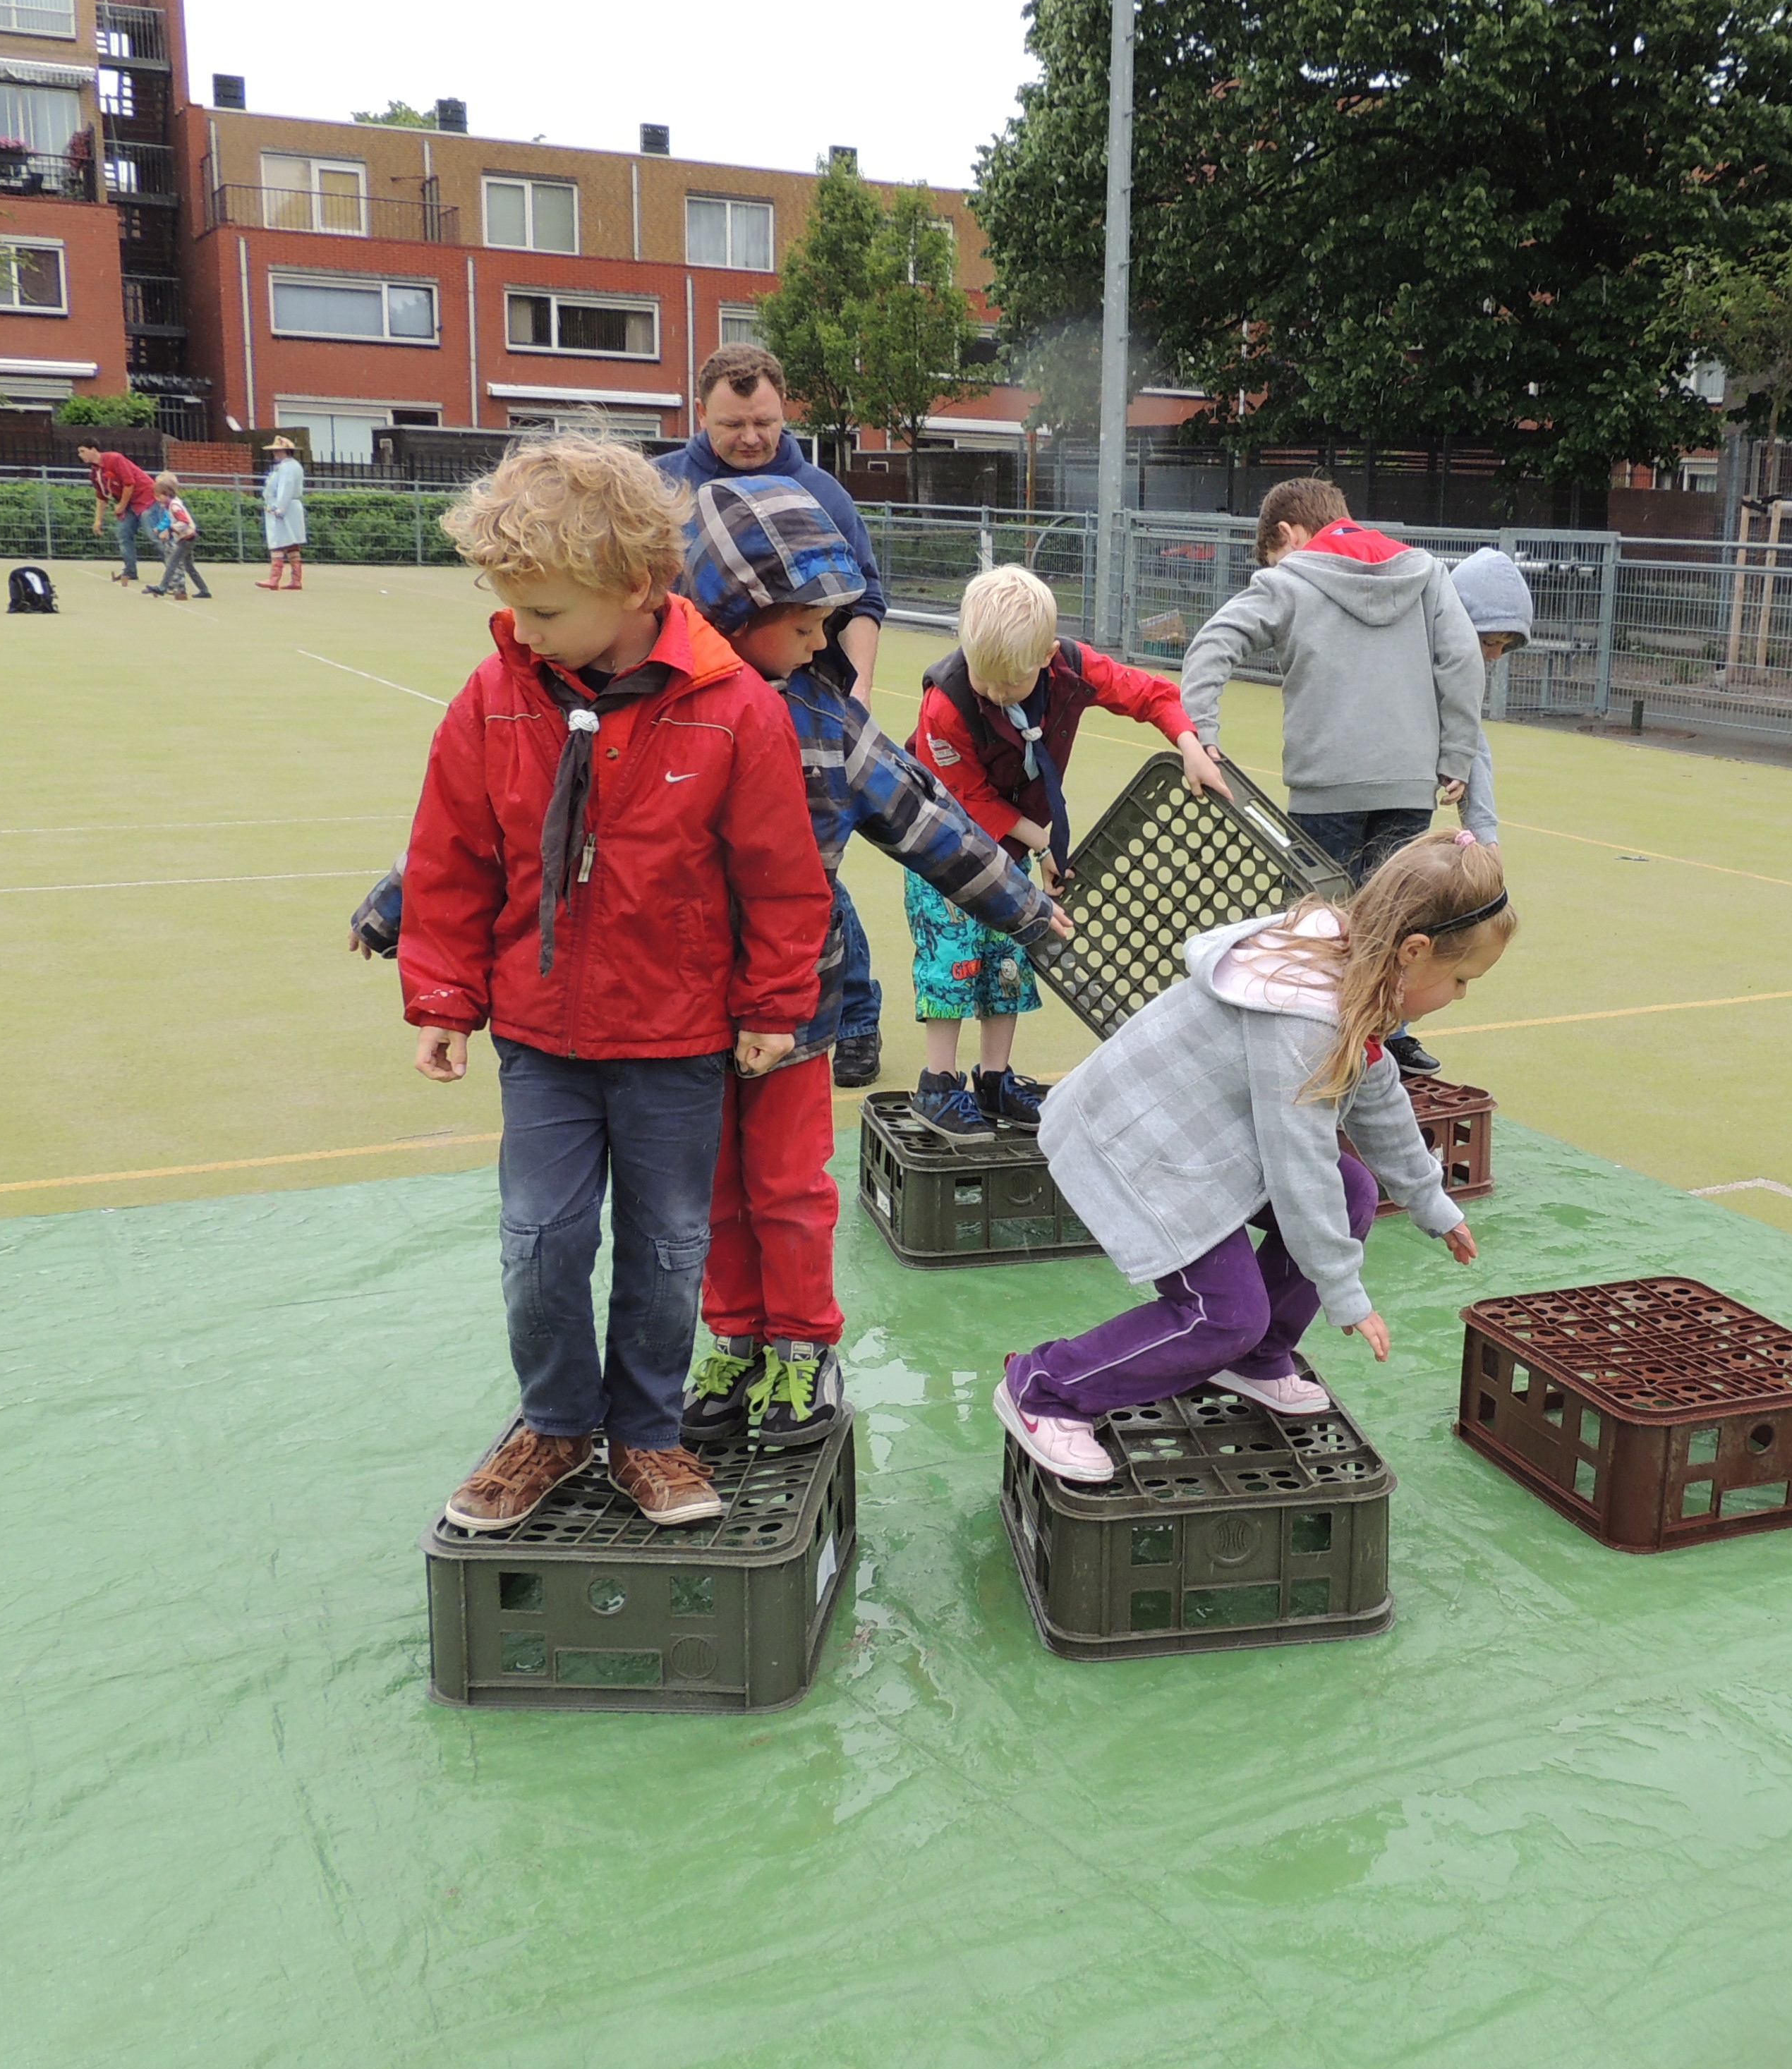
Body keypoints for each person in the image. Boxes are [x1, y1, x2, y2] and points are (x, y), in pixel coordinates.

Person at [399, 437, 831, 1534]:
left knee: (670, 1245)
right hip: (542, 1040)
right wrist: (445, 998)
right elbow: (452, 857)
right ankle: (551, 1426)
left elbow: (781, 878)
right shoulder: (494, 697)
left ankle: (646, 1434)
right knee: (540, 1239)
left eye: (542, 612)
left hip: (679, 1041)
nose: (519, 631)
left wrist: (774, 1007)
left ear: (637, 588)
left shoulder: (738, 711)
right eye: (513, 610)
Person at [672, 476, 1071, 1449]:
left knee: (788, 1189)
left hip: (797, 1008)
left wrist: (1022, 906)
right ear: (734, 611)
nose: (826, 644)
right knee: (708, 1189)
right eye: (807, 626)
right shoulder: (659, 703)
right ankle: (733, 1336)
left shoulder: (828, 721)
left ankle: (803, 1346)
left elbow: (928, 822)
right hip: (680, 1009)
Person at [995, 832, 1513, 1481]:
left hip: (1195, 1134)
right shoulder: (1307, 1017)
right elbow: (1299, 1167)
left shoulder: (1358, 972)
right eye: (1461, 978)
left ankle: (1257, 1358)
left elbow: (1379, 1101)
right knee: (1223, 1314)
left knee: (1351, 1193)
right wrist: (1345, 1291)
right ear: (1414, 952)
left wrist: (1432, 1203)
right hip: (1141, 1146)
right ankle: (1044, 1388)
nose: (1461, 994)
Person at [909, 562, 1224, 1140]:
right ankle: (938, 1082)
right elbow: (967, 799)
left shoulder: (1070, 669)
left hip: (1013, 846)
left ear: (1047, 656)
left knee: (1008, 958)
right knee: (952, 959)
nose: (999, 694)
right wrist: (1045, 842)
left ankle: (995, 1080)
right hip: (946, 847)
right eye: (988, 682)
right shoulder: (946, 705)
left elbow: (1150, 693)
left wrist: (1189, 742)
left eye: (1014, 684)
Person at [1179, 476, 1482, 1075]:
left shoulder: (1289, 579)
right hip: (1406, 780)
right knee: (1398, 917)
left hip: (1325, 785)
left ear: (1288, 534)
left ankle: (1308, 1041)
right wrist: (1457, 753)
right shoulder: (1424, 572)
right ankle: (1389, 1037)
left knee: (1316, 921)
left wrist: (1202, 735)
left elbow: (1213, 644)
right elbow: (1463, 658)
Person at [658, 344, 893, 1090]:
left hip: (802, 711)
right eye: (733, 424)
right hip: (690, 711)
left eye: (763, 421)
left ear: (785, 405)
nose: (751, 437)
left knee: (810, 874)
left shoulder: (821, 490)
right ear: (701, 411)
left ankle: (853, 1015)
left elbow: (864, 602)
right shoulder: (661, 487)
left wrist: (854, 700)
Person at [1448, 547, 1533, 847]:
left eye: (1504, 645)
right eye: (1489, 641)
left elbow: (1471, 738)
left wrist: (1485, 838)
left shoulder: (1463, 669)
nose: (1496, 655)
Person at [78, 442, 152, 586]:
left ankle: (173, 571)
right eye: (79, 452)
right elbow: (101, 496)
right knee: (123, 535)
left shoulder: (115, 459)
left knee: (154, 535)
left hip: (145, 498)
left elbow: (129, 483)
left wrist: (121, 505)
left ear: (93, 450)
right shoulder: (95, 473)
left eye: (83, 451)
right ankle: (130, 571)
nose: (80, 455)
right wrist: (98, 520)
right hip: (127, 504)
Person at [145, 472, 210, 600]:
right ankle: (204, 590)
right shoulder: (171, 504)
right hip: (186, 537)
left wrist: (169, 530)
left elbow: (184, 522)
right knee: (188, 566)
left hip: (187, 538)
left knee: (173, 562)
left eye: (158, 496)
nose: (157, 499)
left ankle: (162, 587)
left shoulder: (175, 507)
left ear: (165, 495)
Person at [256, 434, 306, 592]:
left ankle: (275, 578)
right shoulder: (288, 466)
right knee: (292, 543)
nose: (275, 454)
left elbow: (286, 488)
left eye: (278, 451)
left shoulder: (287, 468)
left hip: (284, 507)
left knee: (278, 541)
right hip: (289, 507)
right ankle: (295, 579)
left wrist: (279, 508)